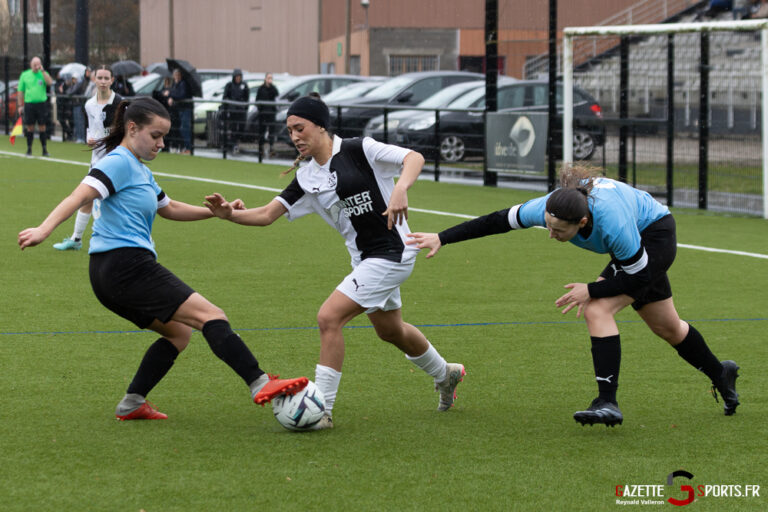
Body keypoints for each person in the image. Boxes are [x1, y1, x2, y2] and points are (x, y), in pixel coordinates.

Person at [18, 97, 308, 421]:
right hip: (125, 266)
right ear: (132, 128)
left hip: (109, 274)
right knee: (211, 315)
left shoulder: (139, 169)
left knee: (179, 333)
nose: (161, 143)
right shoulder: (118, 162)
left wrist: (218, 213)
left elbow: (168, 208)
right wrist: (44, 229)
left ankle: (132, 403)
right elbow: (80, 195)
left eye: (164, 136)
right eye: (155, 135)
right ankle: (258, 382)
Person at [204, 96, 466, 430]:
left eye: (301, 128)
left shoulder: (360, 149)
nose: (295, 136)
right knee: (390, 331)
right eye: (290, 130)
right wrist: (230, 214)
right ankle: (446, 374)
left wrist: (401, 187)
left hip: (393, 251)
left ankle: (321, 410)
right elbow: (267, 214)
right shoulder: (306, 177)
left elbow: (414, 158)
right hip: (365, 262)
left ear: (321, 125)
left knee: (329, 317)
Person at [407, 166, 740, 427]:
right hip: (632, 248)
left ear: (582, 222)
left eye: (559, 231)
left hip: (653, 236)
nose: (551, 234)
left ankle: (607, 402)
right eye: (548, 226)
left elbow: (637, 275)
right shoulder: (549, 207)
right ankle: (720, 374)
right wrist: (442, 237)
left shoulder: (613, 224)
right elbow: (497, 221)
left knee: (597, 309)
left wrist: (591, 289)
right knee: (668, 328)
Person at [53, 65, 123, 251]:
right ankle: (76, 240)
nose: (102, 81)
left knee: (122, 200)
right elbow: (90, 129)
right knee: (86, 199)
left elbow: (125, 132)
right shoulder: (89, 104)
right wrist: (89, 139)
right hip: (97, 160)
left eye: (106, 78)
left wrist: (109, 140)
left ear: (112, 80)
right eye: (99, 77)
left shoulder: (120, 103)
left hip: (117, 160)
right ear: (94, 79)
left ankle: (138, 239)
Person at [17, 56, 53, 156]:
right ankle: (29, 149)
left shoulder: (43, 74)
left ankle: (44, 149)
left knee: (42, 126)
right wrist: (20, 105)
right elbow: (20, 91)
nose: (37, 66)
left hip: (41, 104)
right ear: (31, 65)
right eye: (35, 64)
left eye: (38, 64)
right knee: (30, 127)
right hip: (29, 104)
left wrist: (43, 71)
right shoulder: (25, 75)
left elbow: (50, 82)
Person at [221, 68, 250, 153]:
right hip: (232, 111)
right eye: (236, 76)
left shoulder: (244, 85)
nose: (238, 78)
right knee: (233, 128)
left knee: (241, 128)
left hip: (241, 111)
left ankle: (236, 142)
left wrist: (245, 107)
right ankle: (233, 144)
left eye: (239, 76)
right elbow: (225, 97)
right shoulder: (229, 85)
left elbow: (247, 98)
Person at [168, 68, 193, 154]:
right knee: (182, 128)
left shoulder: (183, 84)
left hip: (185, 108)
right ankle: (186, 147)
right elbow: (174, 92)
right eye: (175, 75)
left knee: (184, 128)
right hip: (180, 108)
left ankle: (188, 148)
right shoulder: (175, 84)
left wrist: (171, 95)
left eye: (178, 75)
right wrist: (171, 95)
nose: (177, 77)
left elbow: (181, 95)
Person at [255, 72, 279, 157]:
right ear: (265, 78)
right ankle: (260, 149)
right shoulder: (261, 89)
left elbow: (277, 99)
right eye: (268, 78)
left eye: (271, 78)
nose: (270, 80)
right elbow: (257, 100)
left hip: (271, 113)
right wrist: (260, 109)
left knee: (272, 132)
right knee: (262, 131)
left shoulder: (274, 89)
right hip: (263, 114)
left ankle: (271, 148)